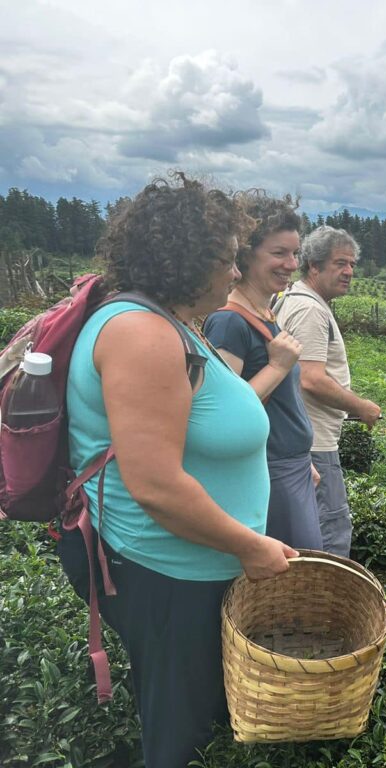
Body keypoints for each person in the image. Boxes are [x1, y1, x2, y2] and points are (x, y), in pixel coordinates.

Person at [57, 174, 297, 768]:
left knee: (192, 713)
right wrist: (249, 545)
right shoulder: (141, 334)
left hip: (187, 567)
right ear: (187, 261)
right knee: (180, 732)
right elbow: (156, 485)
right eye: (225, 259)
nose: (234, 273)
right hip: (163, 571)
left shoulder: (170, 322)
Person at [203, 192, 323, 550]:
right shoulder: (228, 323)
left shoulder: (265, 314)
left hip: (291, 469)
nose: (291, 264)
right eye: (279, 253)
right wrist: (277, 366)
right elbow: (222, 416)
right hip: (268, 473)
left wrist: (302, 461)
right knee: (294, 579)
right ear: (245, 254)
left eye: (294, 253)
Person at [276, 225, 380, 558]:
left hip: (303, 438)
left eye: (351, 264)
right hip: (315, 444)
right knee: (330, 535)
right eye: (339, 263)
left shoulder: (298, 300)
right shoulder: (310, 310)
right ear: (314, 266)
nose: (349, 272)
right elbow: (312, 379)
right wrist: (360, 406)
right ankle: (323, 606)